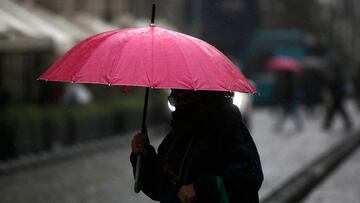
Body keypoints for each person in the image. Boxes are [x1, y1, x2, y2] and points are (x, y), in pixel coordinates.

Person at [130, 89, 263, 203]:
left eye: (184, 94)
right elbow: (159, 189)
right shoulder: (175, 137)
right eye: (175, 97)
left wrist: (200, 189)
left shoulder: (229, 128)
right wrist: (144, 156)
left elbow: (249, 177)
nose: (178, 100)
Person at [323, 62, 353, 131]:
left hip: (336, 96)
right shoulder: (338, 76)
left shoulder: (335, 77)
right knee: (338, 110)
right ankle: (347, 122)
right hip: (337, 96)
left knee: (333, 110)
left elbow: (332, 85)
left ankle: (327, 124)